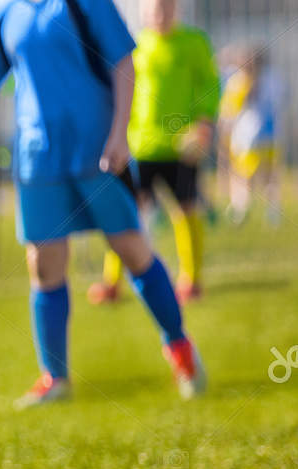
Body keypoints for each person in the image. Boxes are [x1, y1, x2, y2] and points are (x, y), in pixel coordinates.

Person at [0, 0, 207, 409]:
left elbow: (124, 63)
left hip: (99, 151)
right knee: (44, 264)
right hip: (38, 158)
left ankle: (180, 347)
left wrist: (119, 134)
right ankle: (55, 377)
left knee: (131, 250)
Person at [90, 0, 218, 305]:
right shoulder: (135, 46)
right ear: (144, 12)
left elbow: (211, 84)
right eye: (153, 9)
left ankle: (191, 279)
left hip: (181, 147)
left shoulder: (194, 43)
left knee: (185, 209)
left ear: (176, 9)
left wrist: (203, 123)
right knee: (126, 212)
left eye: (165, 8)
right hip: (141, 145)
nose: (159, 15)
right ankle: (112, 282)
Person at [220, 46, 283, 227]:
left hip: (248, 138)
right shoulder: (273, 80)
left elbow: (230, 111)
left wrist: (225, 128)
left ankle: (241, 208)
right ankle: (272, 211)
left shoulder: (239, 82)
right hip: (270, 135)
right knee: (269, 176)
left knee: (243, 176)